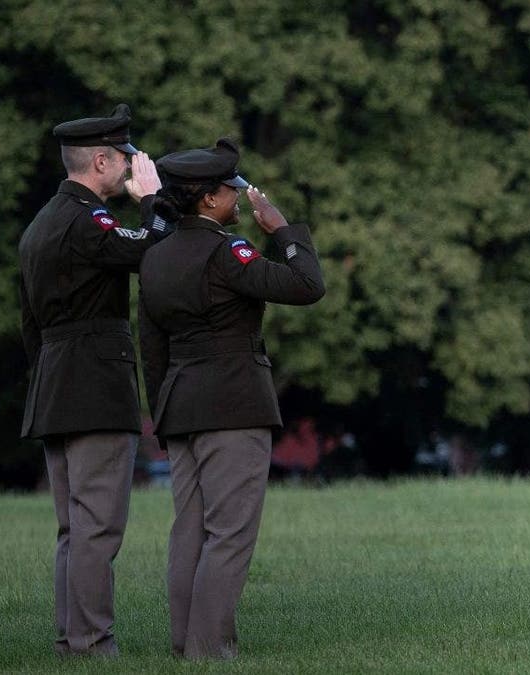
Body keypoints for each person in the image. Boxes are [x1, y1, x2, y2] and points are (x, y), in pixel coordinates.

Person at [138, 138, 325, 659]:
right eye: (231, 190)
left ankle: (185, 645)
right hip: (233, 406)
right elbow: (307, 285)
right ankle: (209, 650)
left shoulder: (154, 258)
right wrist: (283, 231)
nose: (238, 198)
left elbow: (151, 347)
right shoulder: (227, 252)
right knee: (230, 534)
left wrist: (163, 414)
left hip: (180, 407)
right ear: (208, 200)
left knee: (189, 532)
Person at [18, 104, 167, 655]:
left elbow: (29, 325)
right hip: (95, 390)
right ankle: (90, 643)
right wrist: (151, 200)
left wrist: (48, 380)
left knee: (74, 529)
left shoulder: (40, 225)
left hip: (56, 386)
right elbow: (152, 252)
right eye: (125, 158)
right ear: (100, 160)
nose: (131, 166)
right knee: (98, 526)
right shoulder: (88, 220)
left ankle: (71, 639)